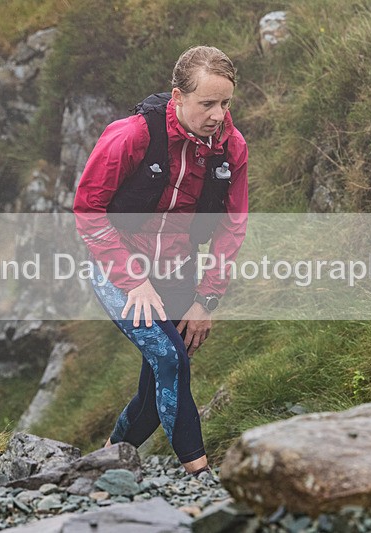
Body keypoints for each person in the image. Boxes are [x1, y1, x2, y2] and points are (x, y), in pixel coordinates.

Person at [73, 45, 248, 475]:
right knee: (171, 360)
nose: (218, 115)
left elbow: (232, 227)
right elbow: (88, 210)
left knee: (156, 388)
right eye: (207, 104)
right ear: (178, 97)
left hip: (178, 274)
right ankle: (200, 475)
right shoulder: (131, 136)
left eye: (225, 104)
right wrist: (134, 281)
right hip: (118, 269)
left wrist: (206, 299)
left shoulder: (232, 149)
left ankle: (100, 464)